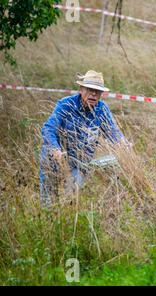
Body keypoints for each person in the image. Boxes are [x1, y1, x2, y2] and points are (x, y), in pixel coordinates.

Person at [39, 70, 128, 207]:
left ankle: (67, 221)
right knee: (49, 201)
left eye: (97, 91)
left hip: (80, 162)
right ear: (81, 89)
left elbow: (113, 133)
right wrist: (55, 149)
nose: (94, 94)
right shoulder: (66, 105)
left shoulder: (102, 109)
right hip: (55, 157)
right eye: (90, 89)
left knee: (72, 199)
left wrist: (123, 145)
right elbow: (48, 129)